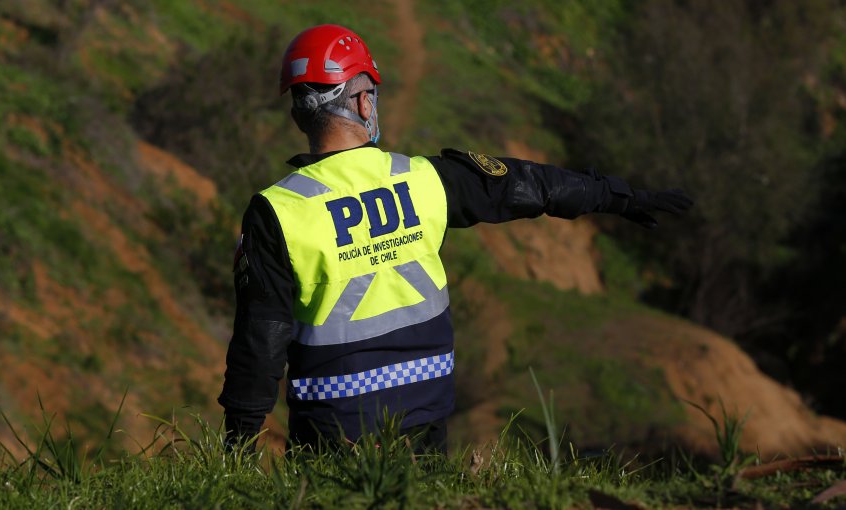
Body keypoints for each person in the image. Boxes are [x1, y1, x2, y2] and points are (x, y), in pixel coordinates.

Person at [218, 24, 692, 453]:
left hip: (333, 425)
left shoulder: (276, 212)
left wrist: (237, 447)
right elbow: (529, 186)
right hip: (425, 409)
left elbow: (260, 341)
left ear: (300, 113)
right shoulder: (425, 180)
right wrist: (619, 197)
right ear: (363, 102)